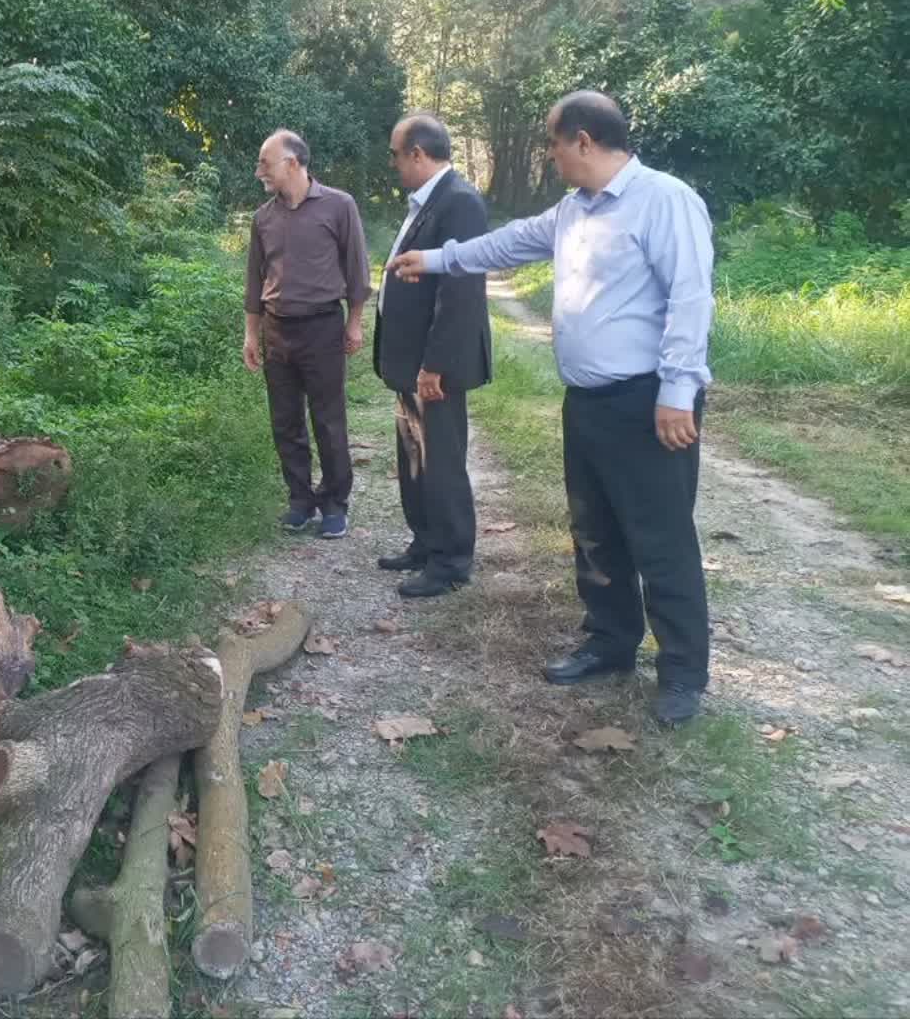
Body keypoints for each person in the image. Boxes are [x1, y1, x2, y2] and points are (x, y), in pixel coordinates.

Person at [385, 92, 714, 725]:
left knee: (660, 537)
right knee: (594, 531)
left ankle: (681, 673)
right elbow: (507, 244)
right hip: (586, 401)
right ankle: (610, 642)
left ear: (583, 140)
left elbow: (690, 298)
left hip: (648, 401)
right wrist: (437, 258)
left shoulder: (664, 200)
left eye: (554, 143)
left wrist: (678, 391)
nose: (550, 155)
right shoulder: (573, 210)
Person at [372, 114, 492, 599]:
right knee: (414, 456)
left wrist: (435, 364)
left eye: (396, 155)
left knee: (440, 461)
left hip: (434, 365)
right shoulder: (427, 201)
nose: (394, 164)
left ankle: (451, 561)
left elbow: (460, 292)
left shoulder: (459, 202)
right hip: (411, 361)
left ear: (418, 154)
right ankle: (425, 542)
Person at [243, 129, 371, 540]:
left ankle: (334, 504)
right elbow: (254, 280)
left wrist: (355, 321)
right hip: (277, 329)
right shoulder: (263, 218)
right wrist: (251, 335)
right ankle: (300, 501)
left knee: (328, 420)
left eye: (265, 163)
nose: (259, 171)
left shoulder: (339, 205)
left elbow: (356, 269)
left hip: (322, 327)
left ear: (292, 163)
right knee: (285, 421)